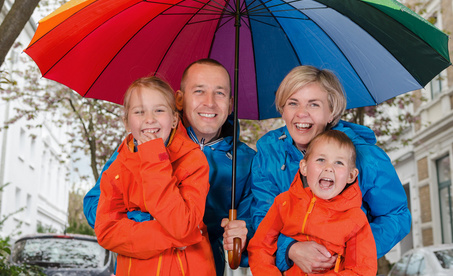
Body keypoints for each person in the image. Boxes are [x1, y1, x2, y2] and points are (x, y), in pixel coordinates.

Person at [84, 59, 255, 275]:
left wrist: (243, 234)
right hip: (142, 263)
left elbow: (256, 231)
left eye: (219, 93)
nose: (209, 102)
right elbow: (95, 209)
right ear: (180, 99)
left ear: (230, 105)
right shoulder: (144, 142)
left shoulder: (248, 162)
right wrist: (161, 226)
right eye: (199, 91)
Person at [251, 65, 411, 274]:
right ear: (282, 108)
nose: (301, 114)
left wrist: (348, 253)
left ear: (331, 112)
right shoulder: (269, 153)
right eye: (293, 103)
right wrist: (290, 249)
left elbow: (396, 215)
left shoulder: (364, 157)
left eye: (314, 104)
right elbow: (264, 219)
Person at [94, 76, 215, 275]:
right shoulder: (115, 172)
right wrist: (171, 238)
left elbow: (182, 225)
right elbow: (107, 232)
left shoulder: (194, 161)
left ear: (175, 119)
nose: (149, 119)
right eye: (139, 111)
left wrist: (153, 157)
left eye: (159, 110)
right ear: (126, 122)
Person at [248, 130, 377, 275]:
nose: (329, 168)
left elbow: (362, 270)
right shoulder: (284, 204)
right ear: (303, 167)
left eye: (339, 162)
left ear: (351, 175)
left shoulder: (355, 220)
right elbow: (259, 247)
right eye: (321, 160)